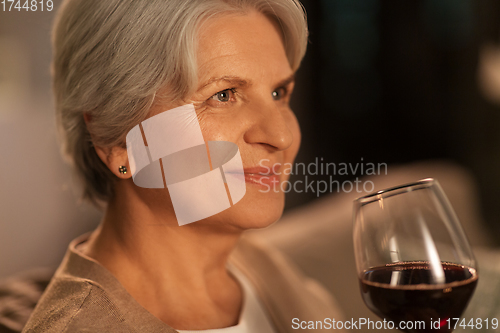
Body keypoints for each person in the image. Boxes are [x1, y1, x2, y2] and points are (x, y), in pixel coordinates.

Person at [22, 0, 343, 332]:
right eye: (223, 95)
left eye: (278, 93)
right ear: (116, 142)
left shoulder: (271, 274)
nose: (281, 135)